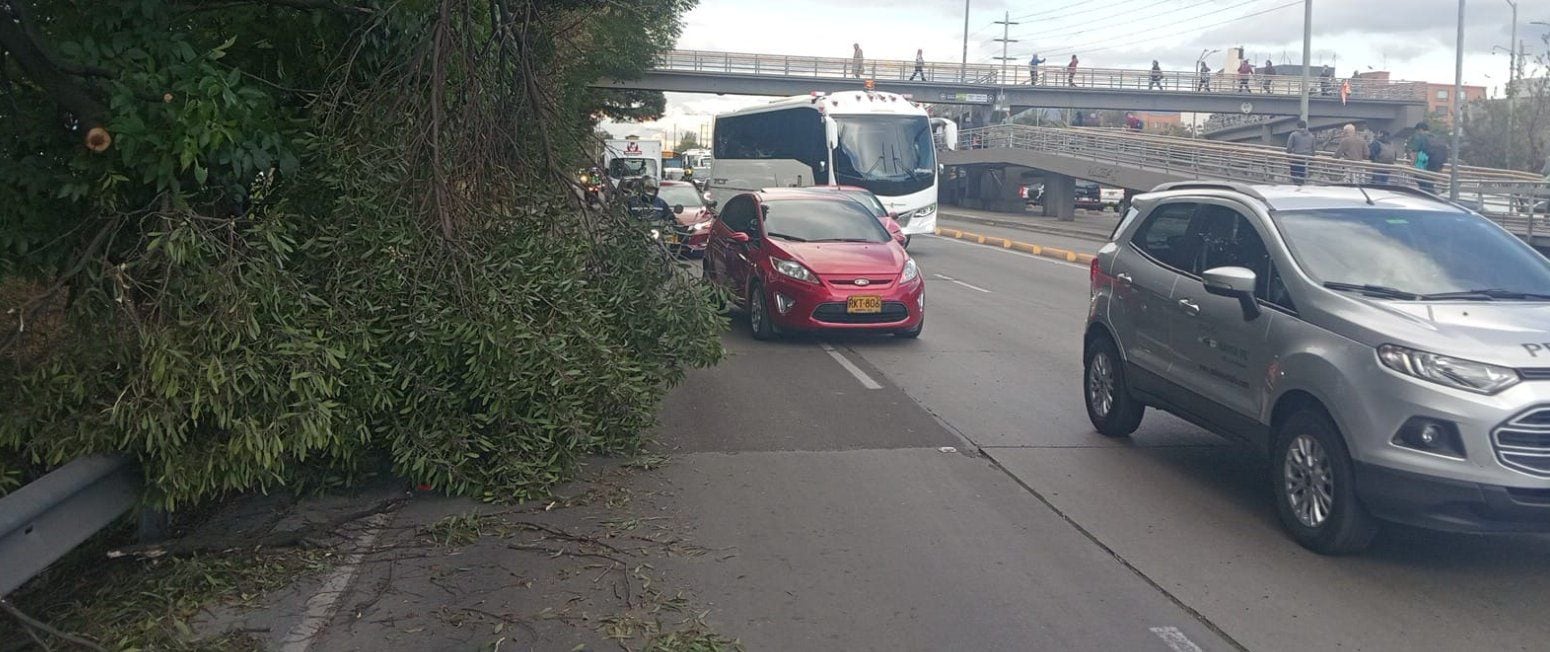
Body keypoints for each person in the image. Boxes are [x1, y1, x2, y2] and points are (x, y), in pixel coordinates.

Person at [1407, 121, 1447, 193]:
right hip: (1437, 164)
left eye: (1417, 131)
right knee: (1429, 183)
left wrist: (1412, 166)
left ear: (1420, 129)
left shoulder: (1420, 137)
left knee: (1421, 181)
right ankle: (1430, 195)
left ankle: (1428, 196)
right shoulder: (1437, 138)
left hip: (1424, 163)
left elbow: (1413, 152)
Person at [1285, 120, 1315, 185]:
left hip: (1296, 158)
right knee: (1303, 176)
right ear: (1306, 126)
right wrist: (1312, 160)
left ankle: (1296, 186)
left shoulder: (1293, 135)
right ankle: (1301, 185)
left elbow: (1289, 147)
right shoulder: (1312, 136)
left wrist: (1288, 156)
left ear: (1297, 126)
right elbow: (1313, 150)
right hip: (1306, 159)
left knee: (1294, 175)